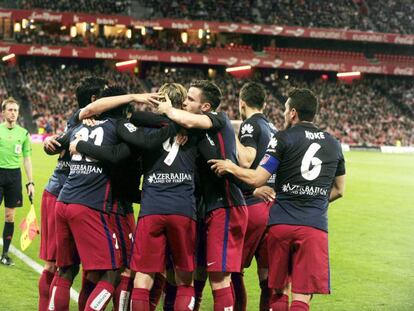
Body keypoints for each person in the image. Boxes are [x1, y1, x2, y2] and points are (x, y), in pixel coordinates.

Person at [209, 88, 346, 311]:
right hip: (314, 226)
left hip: (281, 222)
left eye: (284, 110)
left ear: (293, 112)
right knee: (301, 295)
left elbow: (257, 178)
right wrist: (314, 199)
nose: (283, 115)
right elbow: (339, 189)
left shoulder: (282, 138)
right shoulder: (333, 143)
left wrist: (231, 167)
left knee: (278, 289)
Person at [153, 80, 248, 311]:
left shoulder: (219, 119)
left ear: (206, 107)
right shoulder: (193, 131)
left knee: (219, 279)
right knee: (194, 272)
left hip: (225, 206)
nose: (185, 101)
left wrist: (169, 110)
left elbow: (188, 119)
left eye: (191, 99)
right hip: (205, 210)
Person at [39, 76, 108, 311]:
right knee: (58, 266)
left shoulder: (86, 122)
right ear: (94, 100)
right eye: (105, 95)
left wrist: (52, 142)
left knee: (77, 267)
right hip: (63, 195)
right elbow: (56, 146)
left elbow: (55, 145)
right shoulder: (80, 120)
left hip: (67, 196)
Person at [232, 82, 277, 311]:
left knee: (232, 269)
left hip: (251, 205)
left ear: (242, 103)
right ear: (265, 103)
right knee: (267, 274)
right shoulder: (273, 128)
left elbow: (247, 160)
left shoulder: (249, 125)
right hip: (272, 207)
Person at [0, 97, 34, 266]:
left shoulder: (24, 133)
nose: (13, 113)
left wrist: (31, 182)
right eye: (10, 110)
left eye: (15, 110)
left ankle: (4, 254)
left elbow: (27, 159)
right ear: (3, 112)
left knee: (10, 216)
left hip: (14, 176)